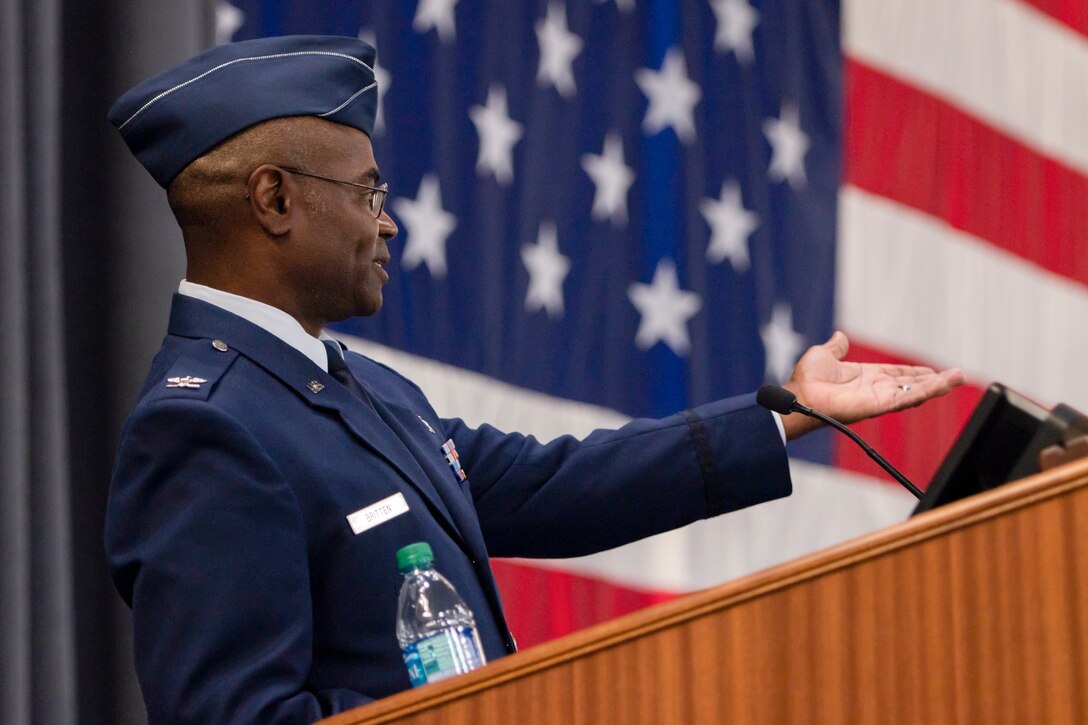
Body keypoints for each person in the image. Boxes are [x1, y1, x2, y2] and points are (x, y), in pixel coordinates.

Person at [105, 35, 964, 724]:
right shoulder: (205, 428)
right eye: (368, 192)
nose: (388, 221)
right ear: (274, 199)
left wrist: (785, 416)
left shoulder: (363, 386)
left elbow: (555, 483)